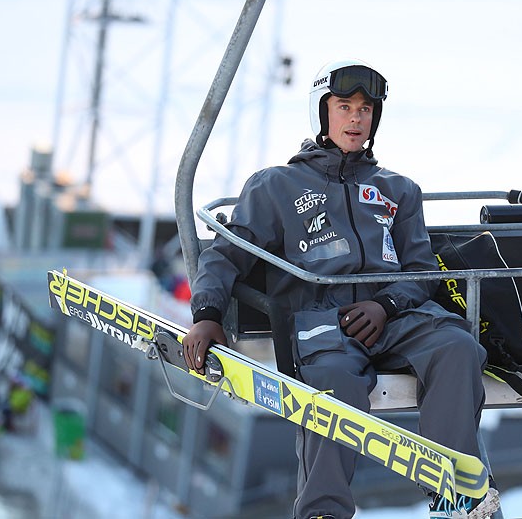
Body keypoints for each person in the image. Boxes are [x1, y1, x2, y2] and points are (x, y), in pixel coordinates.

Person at [183, 59, 499, 519]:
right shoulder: (277, 186)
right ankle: (323, 511)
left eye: (366, 109)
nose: (356, 118)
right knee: (334, 385)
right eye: (344, 107)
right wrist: (207, 314)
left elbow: (421, 269)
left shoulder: (398, 190)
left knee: (456, 346)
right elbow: (227, 254)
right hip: (324, 323)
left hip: (394, 317)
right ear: (322, 113)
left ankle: (455, 495)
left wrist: (387, 304)